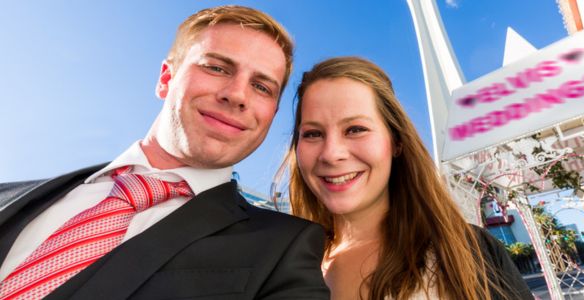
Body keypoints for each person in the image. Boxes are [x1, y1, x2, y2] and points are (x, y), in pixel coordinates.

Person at [0, 5, 329, 300]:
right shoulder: (9, 195)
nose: (237, 94)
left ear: (271, 115)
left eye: (262, 87)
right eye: (217, 68)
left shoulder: (284, 247)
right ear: (165, 78)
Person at [285, 57, 532, 299]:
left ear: (396, 142)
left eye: (356, 129)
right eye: (313, 133)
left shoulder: (468, 254)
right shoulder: (286, 267)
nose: (331, 154)